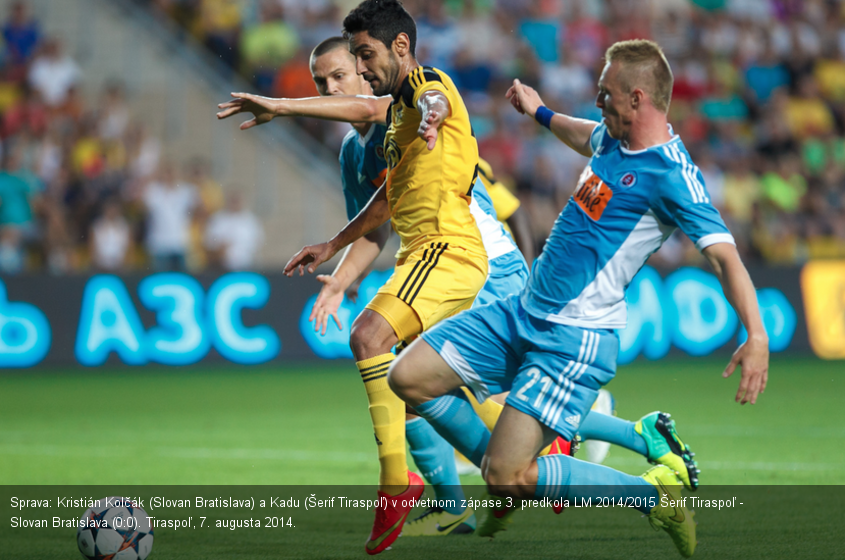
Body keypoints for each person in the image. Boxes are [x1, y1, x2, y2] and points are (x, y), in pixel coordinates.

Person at [387, 40, 769, 558]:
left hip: (574, 338)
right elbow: (583, 133)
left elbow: (725, 257)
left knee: (505, 474)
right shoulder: (613, 140)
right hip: (521, 311)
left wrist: (757, 334)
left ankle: (649, 497)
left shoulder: (672, 175)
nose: (598, 102)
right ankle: (515, 477)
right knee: (407, 376)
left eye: (605, 94)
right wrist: (540, 111)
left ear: (637, 98)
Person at [220, 2, 490, 552]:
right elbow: (388, 200)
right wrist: (332, 248)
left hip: (452, 249)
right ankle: (573, 468)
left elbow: (426, 94)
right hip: (424, 254)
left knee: (370, 338)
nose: (360, 71)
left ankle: (399, 482)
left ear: (397, 48)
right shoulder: (380, 137)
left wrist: (279, 103)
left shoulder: (422, 85)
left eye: (361, 58)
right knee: (421, 384)